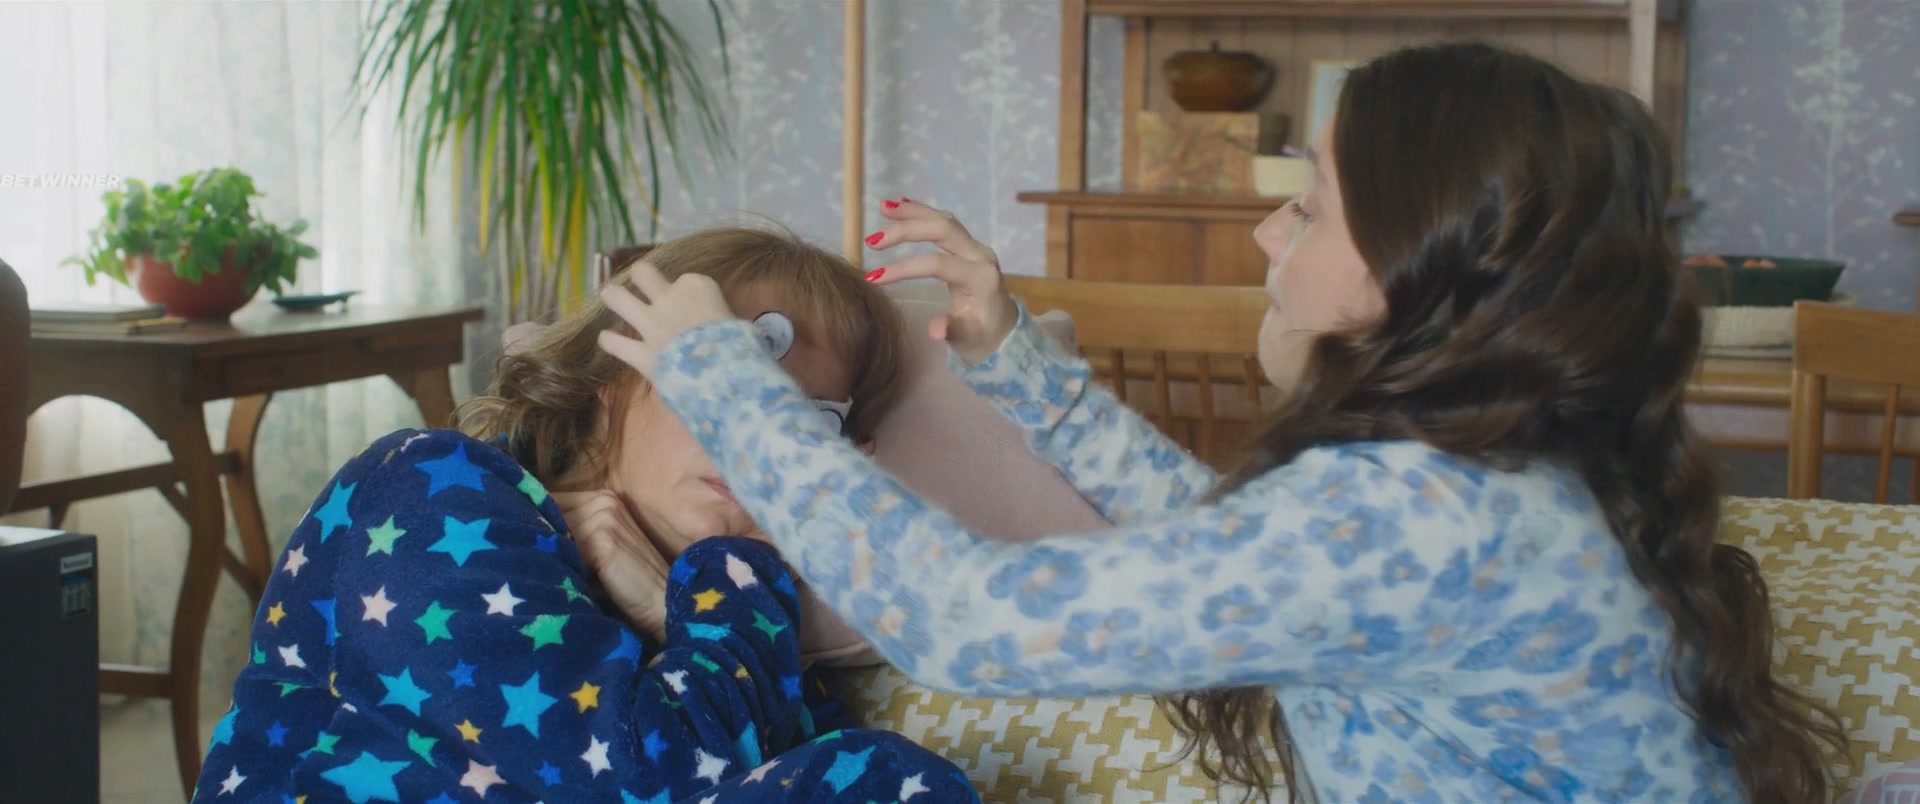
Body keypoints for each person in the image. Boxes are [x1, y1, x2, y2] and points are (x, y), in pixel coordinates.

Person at [591, 43, 1846, 803]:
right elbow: (1224, 540)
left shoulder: (1427, 513)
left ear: (1411, 266)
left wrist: (733, 388)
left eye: (1308, 206)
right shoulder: (1480, 482)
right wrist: (1018, 363)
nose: (1265, 231)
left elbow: (966, 621)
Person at [190, 227, 976, 803]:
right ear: (612, 373)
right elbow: (653, 776)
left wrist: (671, 608)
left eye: (802, 422)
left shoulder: (746, 628)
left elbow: (760, 768)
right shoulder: (432, 487)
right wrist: (737, 573)